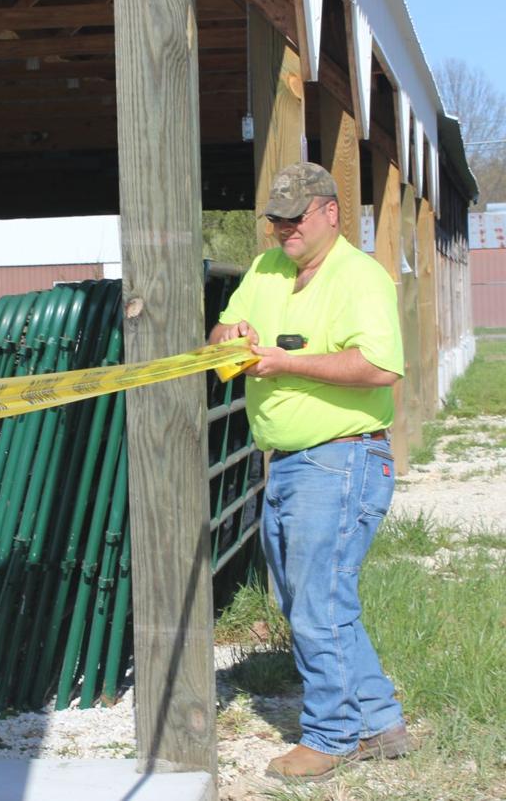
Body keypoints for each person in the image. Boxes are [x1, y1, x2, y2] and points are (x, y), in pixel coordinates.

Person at [208, 162, 414, 781]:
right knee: (315, 599)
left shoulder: (361, 277)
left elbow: (381, 367)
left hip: (342, 458)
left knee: (318, 606)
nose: (284, 231)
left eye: (296, 218)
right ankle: (379, 723)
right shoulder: (269, 268)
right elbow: (221, 337)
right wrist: (232, 333)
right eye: (276, 220)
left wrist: (288, 366)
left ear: (331, 212)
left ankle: (331, 737)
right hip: (294, 463)